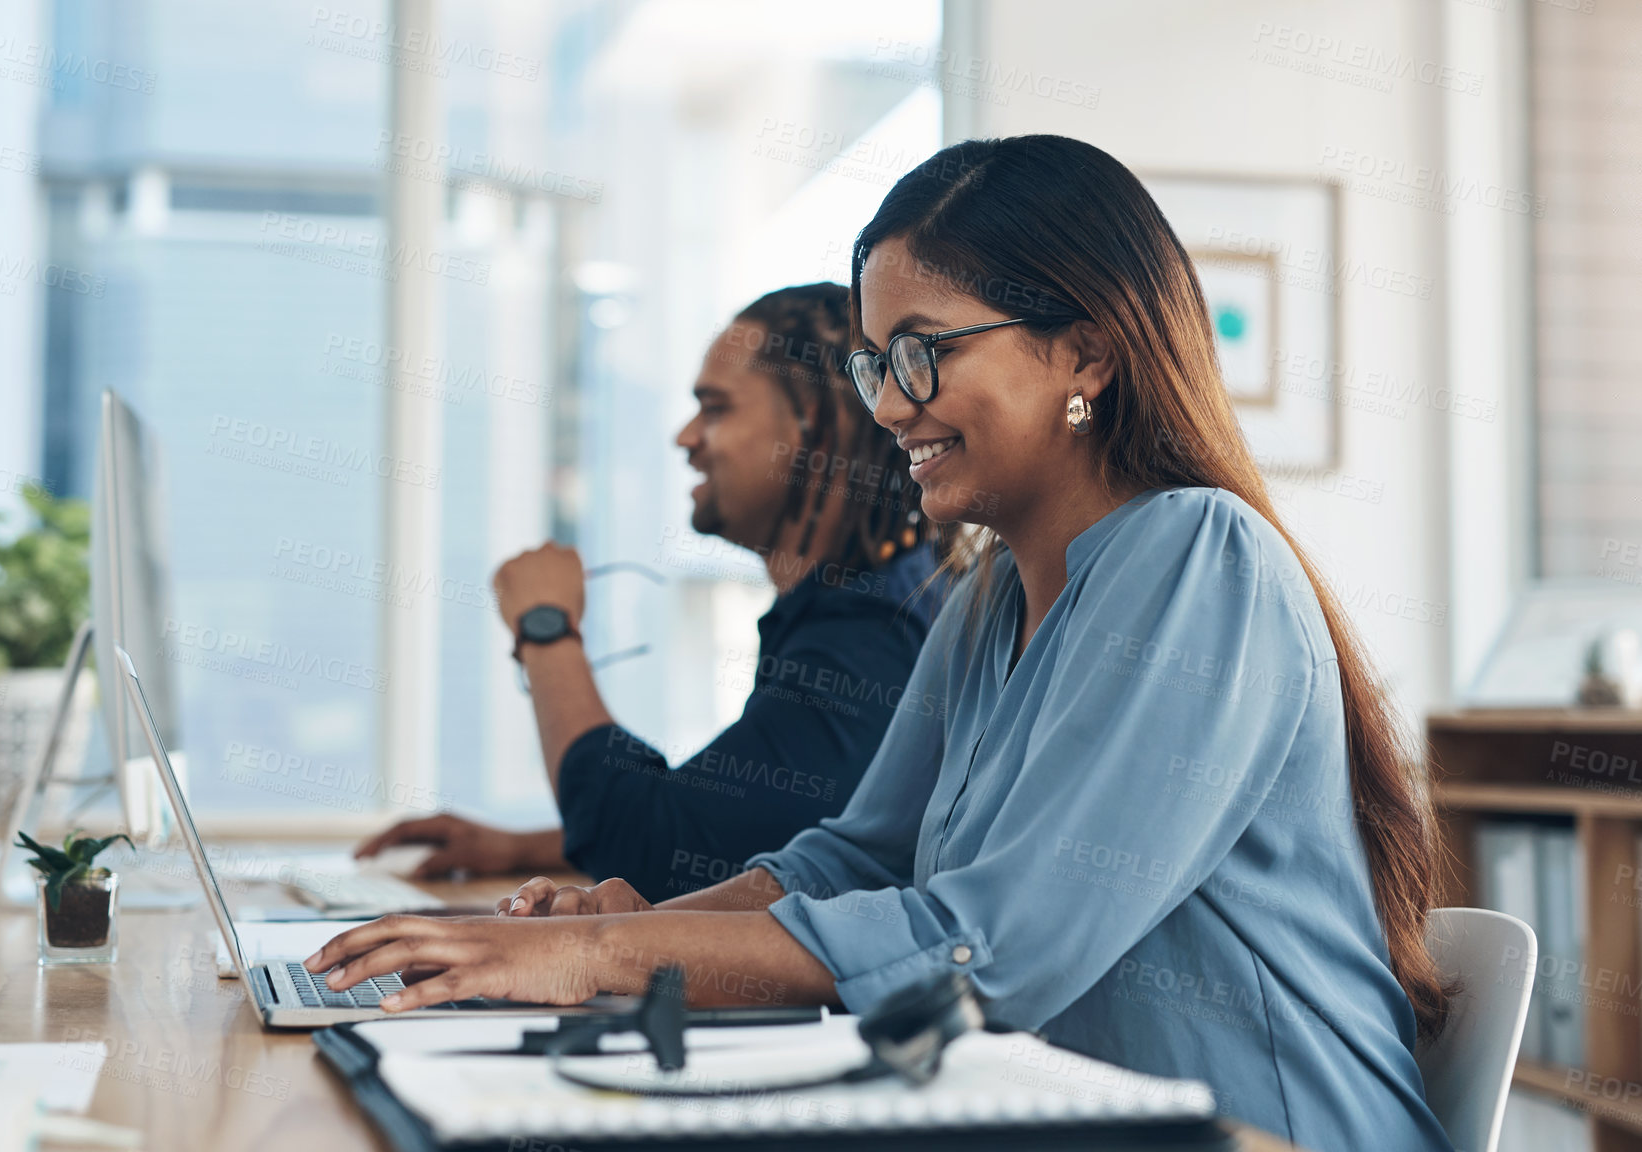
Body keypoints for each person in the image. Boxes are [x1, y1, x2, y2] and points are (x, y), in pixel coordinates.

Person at [308, 137, 1453, 1151]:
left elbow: (990, 951)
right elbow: (850, 863)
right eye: (874, 364)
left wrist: (598, 959)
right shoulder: (988, 601)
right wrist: (630, 929)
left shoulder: (1202, 561)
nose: (891, 405)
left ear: (1088, 356)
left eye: (922, 353)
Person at [355, 283, 954, 897]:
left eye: (716, 408)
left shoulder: (868, 632)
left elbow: (663, 855)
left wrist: (547, 628)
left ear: (816, 432)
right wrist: (523, 847)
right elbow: (751, 830)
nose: (686, 437)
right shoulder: (875, 601)